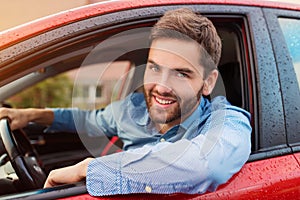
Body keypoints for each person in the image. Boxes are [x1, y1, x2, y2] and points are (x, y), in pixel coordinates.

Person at [0, 8, 251, 196]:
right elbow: (87, 120)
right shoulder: (133, 109)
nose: (161, 86)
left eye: (181, 73)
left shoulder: (227, 121)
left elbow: (205, 165)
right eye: (154, 68)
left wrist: (91, 169)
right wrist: (30, 114)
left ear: (208, 82)